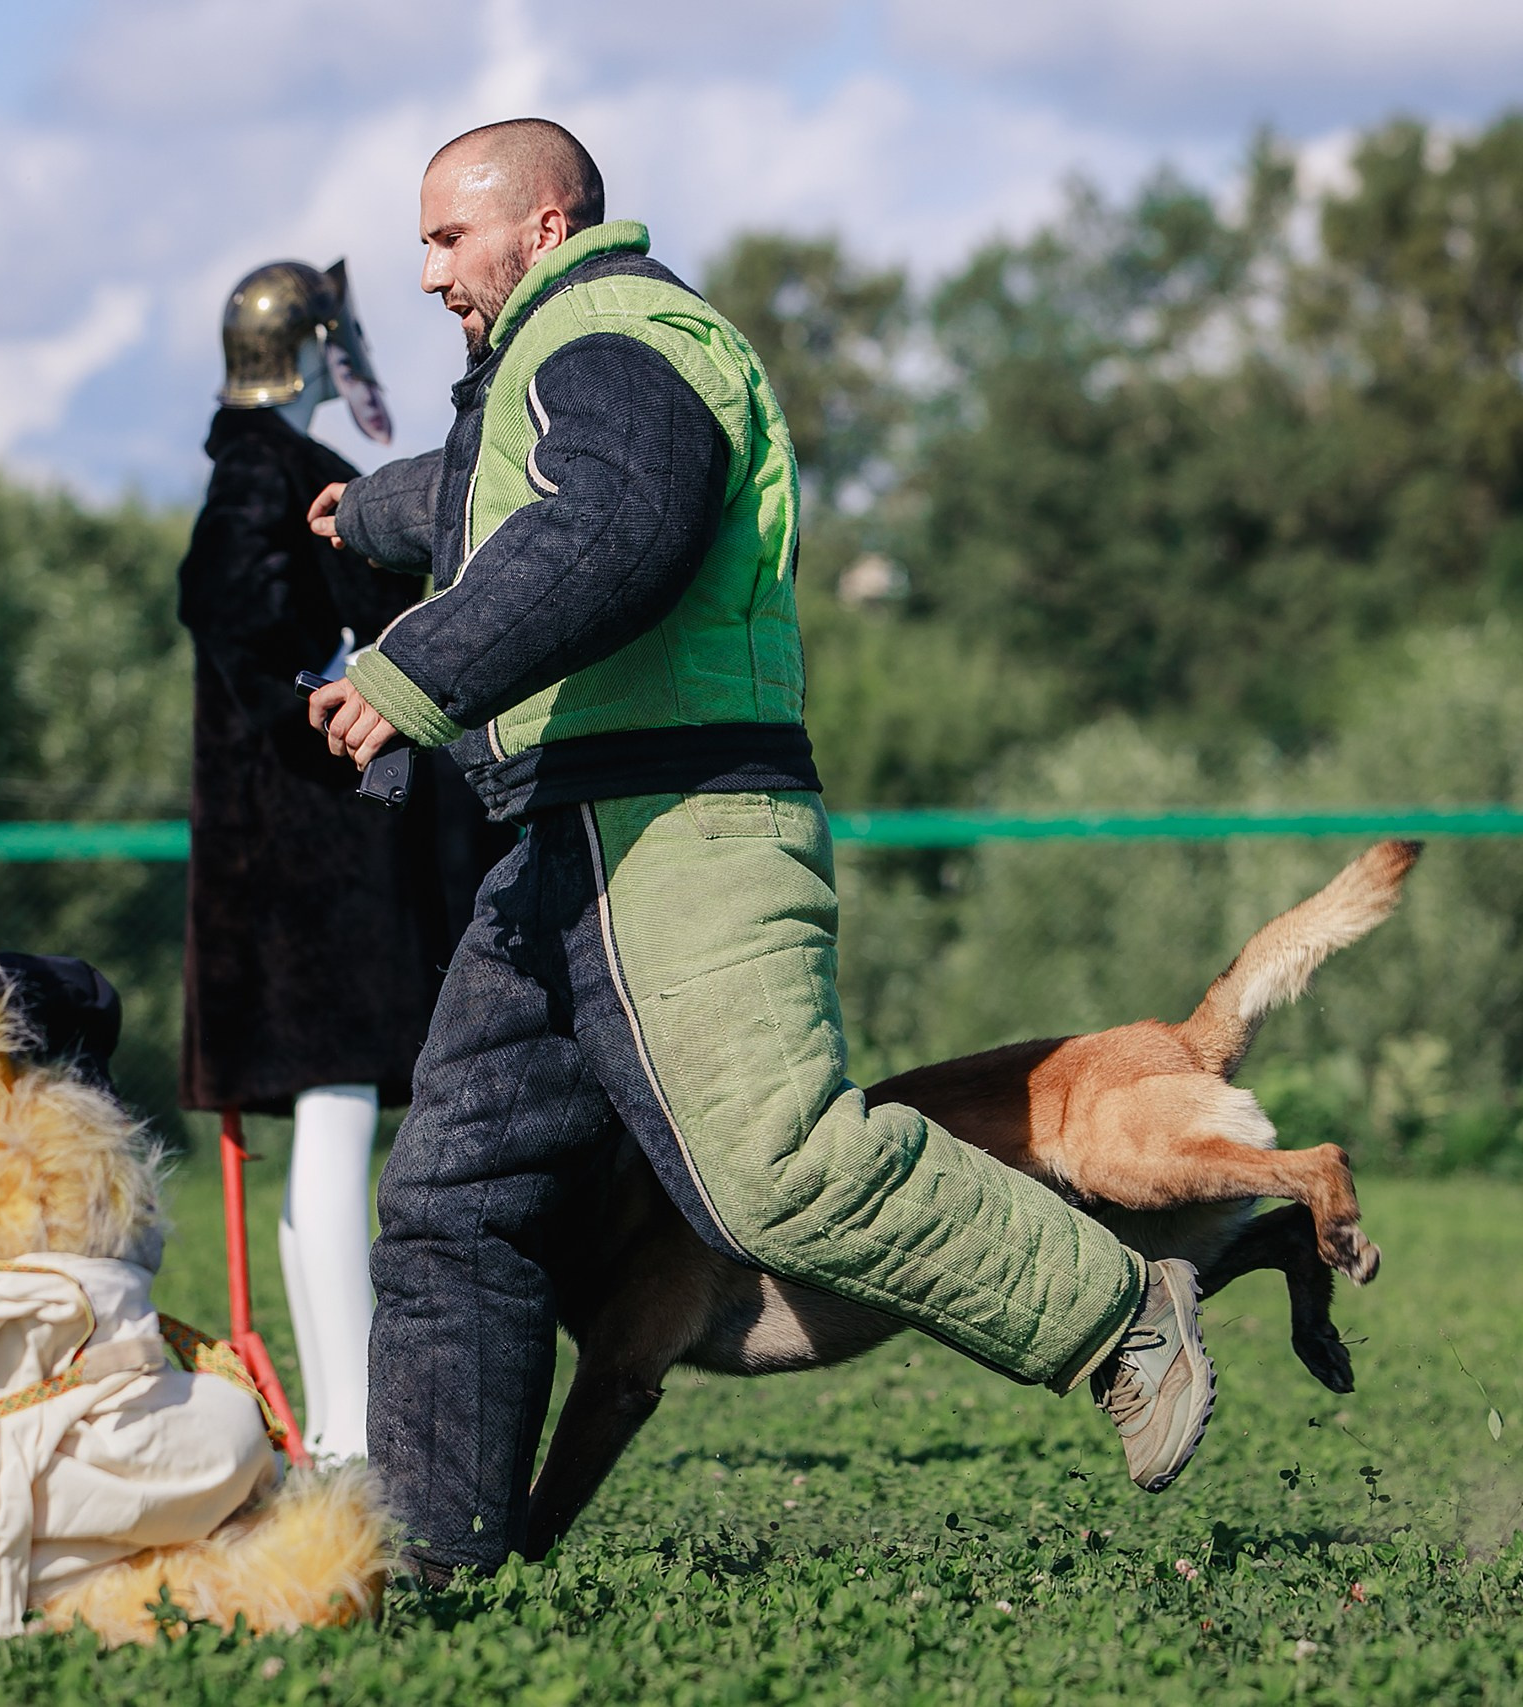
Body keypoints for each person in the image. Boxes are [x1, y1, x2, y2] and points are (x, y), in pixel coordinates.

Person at [303, 118, 1212, 1582]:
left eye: (447, 239)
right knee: (455, 1195)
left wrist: (415, 667)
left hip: (683, 821)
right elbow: (499, 495)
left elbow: (620, 518)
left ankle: (1116, 1313)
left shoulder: (617, 333)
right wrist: (375, 512)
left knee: (774, 1170)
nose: (425, 274)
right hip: (565, 843)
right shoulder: (554, 365)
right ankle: (431, 1552)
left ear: (543, 227)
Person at [176, 259, 504, 1463]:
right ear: (311, 347)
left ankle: (338, 1417)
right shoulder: (261, 478)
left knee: (333, 1120)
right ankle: (356, 1427)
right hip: (313, 864)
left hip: (310, 853)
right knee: (335, 1114)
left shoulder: (274, 470)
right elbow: (231, 613)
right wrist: (329, 694)